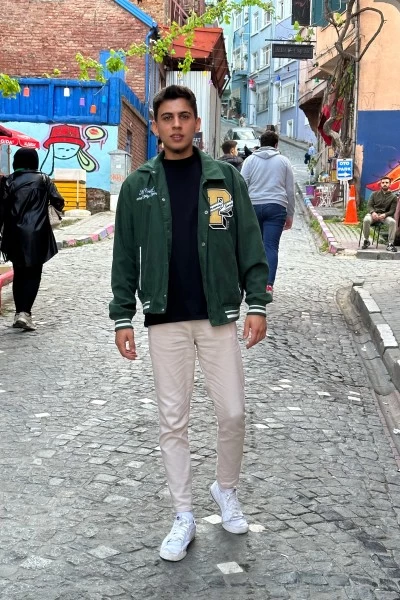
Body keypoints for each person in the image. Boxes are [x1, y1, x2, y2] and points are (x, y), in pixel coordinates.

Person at [109, 85, 270, 562]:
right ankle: (183, 514)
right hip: (165, 319)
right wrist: (122, 315)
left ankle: (226, 489)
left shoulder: (224, 179)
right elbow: (124, 256)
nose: (176, 124)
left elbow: (248, 241)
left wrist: (257, 304)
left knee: (233, 412)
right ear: (156, 126)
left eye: (184, 116)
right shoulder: (138, 186)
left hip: (217, 314)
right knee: (173, 421)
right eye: (167, 117)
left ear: (197, 123)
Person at [0, 148, 64, 330]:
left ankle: (18, 313)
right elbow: (58, 201)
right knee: (34, 274)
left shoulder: (8, 181)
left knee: (19, 272)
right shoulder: (43, 179)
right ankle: (25, 313)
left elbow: (2, 208)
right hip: (38, 234)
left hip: (14, 234)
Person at [240, 130, 295, 298]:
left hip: (253, 206)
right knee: (270, 246)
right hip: (276, 207)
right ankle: (268, 285)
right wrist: (290, 214)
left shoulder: (249, 161)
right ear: (276, 145)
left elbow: (242, 185)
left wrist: (241, 210)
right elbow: (290, 190)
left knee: (253, 246)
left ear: (260, 143)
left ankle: (252, 282)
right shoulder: (284, 161)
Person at [362, 177, 398, 252]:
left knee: (393, 222)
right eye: (383, 182)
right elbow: (369, 205)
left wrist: (385, 214)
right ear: (380, 184)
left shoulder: (393, 197)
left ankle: (390, 244)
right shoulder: (374, 194)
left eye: (386, 183)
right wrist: (373, 212)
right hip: (373, 214)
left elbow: (392, 210)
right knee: (366, 220)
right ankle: (366, 240)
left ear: (390, 184)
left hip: (384, 216)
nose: (385, 184)